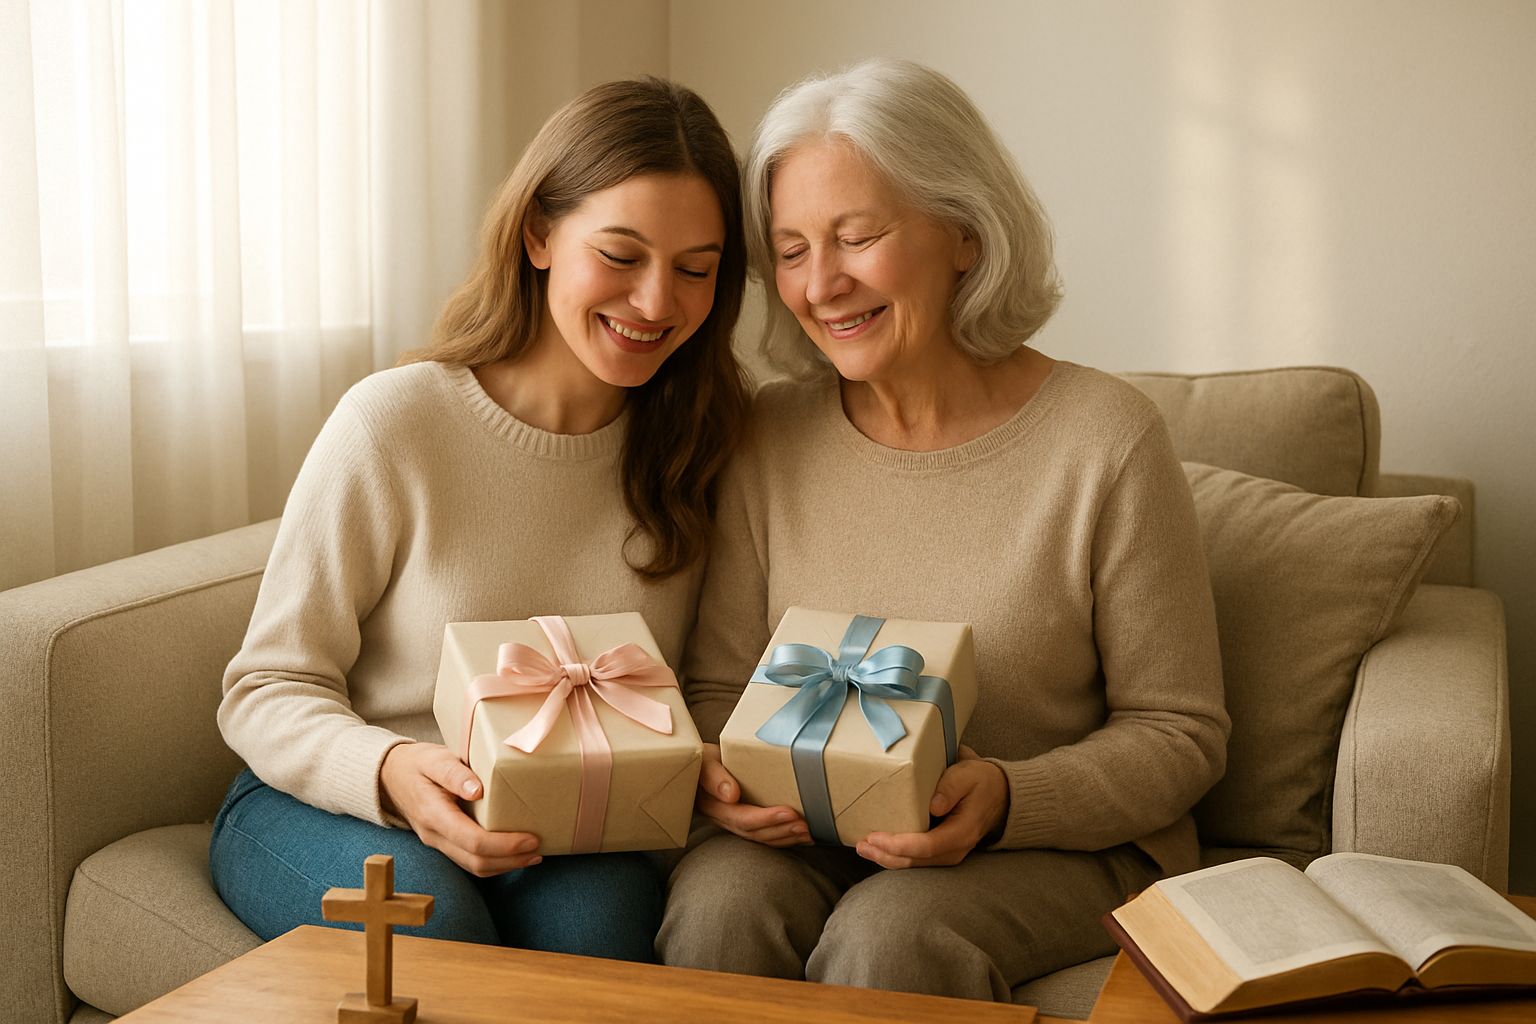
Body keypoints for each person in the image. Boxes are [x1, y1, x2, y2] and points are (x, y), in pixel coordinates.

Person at [659, 58, 1229, 999]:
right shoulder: (766, 436)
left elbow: (1182, 733)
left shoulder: (1106, 438)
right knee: (719, 906)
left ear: (964, 233)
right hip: (817, 833)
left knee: (893, 936)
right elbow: (722, 687)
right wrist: (731, 775)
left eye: (857, 237)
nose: (822, 284)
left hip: (1059, 845)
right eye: (792, 251)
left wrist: (1007, 796)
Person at [211, 77, 749, 962]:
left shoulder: (704, 448)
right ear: (539, 234)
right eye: (621, 255)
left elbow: (692, 695)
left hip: (563, 823)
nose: (658, 302)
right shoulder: (396, 423)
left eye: (696, 269)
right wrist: (389, 772)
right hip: (332, 802)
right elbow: (265, 688)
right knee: (433, 926)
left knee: (606, 932)